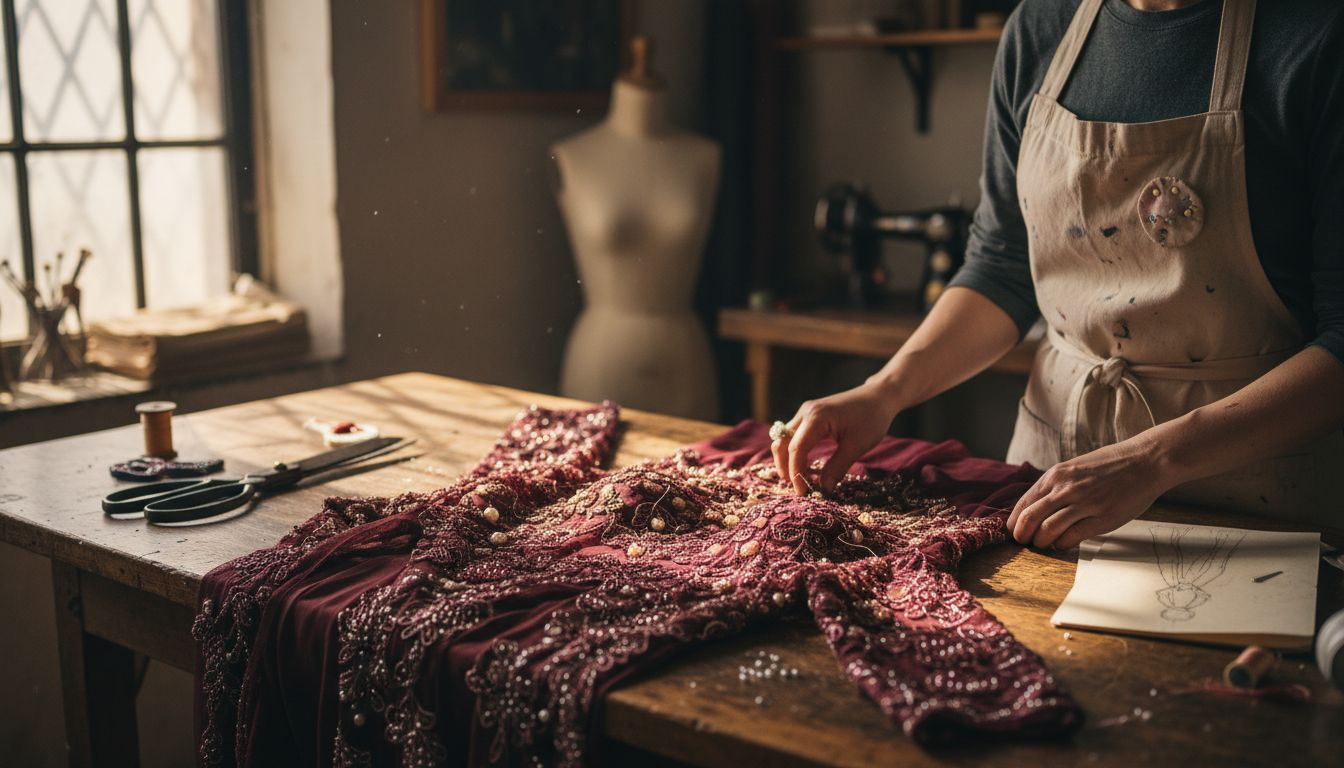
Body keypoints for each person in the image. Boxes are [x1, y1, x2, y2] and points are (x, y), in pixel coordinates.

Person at [771, 0, 1344, 549]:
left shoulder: (1316, 37)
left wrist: (1152, 460)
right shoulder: (1038, 29)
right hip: (1051, 478)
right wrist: (883, 393)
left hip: (1250, 498)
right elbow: (1003, 269)